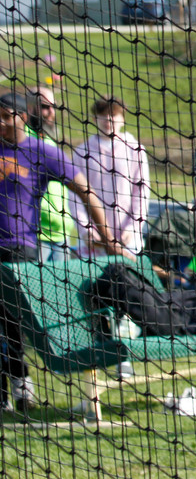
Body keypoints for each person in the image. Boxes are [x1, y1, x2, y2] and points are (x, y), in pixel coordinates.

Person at [0, 92, 127, 410]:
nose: (0, 122)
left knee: (13, 325)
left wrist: (108, 239)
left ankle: (21, 389)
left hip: (20, 251)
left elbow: (86, 192)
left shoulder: (42, 152)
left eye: (5, 116)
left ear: (22, 118)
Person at [71, 95, 151, 259]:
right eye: (103, 115)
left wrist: (133, 228)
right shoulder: (81, 152)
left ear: (123, 118)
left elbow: (142, 193)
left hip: (128, 240)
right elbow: (75, 196)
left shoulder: (135, 149)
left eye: (113, 115)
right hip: (95, 242)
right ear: (94, 118)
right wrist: (86, 230)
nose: (108, 119)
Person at [27, 86, 77, 261]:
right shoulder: (23, 140)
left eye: (52, 107)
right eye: (44, 107)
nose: (50, 112)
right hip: (36, 234)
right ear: (29, 107)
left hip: (62, 233)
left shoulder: (48, 140)